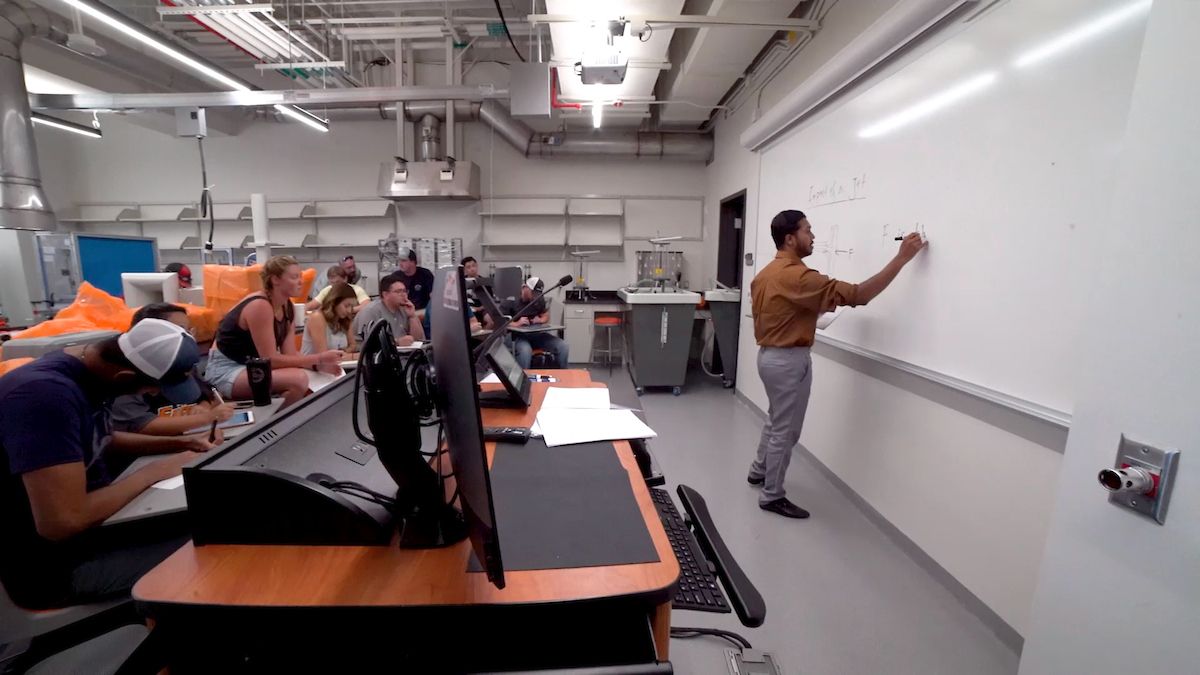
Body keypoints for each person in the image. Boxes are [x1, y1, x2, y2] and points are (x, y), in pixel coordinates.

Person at [0, 319, 218, 608]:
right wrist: (152, 473)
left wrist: (182, 443)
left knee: (218, 518)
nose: (153, 395)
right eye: (150, 390)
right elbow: (63, 521)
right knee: (225, 545)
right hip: (54, 569)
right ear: (124, 377)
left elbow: (98, 437)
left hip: (93, 535)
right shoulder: (44, 397)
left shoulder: (84, 372)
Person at [748, 210, 926, 519]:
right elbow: (859, 295)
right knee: (785, 430)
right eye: (807, 230)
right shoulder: (798, 276)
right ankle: (771, 495)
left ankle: (758, 470)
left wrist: (806, 317)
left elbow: (781, 312)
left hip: (769, 357)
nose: (813, 236)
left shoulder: (766, 274)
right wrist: (901, 259)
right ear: (791, 238)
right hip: (788, 361)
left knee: (776, 420)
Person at [204, 256, 343, 409]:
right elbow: (270, 359)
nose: (301, 282)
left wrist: (318, 366)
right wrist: (319, 358)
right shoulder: (260, 305)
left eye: (300, 277)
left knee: (304, 375)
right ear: (275, 279)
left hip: (253, 365)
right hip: (227, 368)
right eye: (294, 277)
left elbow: (290, 355)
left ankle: (279, 417)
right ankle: (272, 424)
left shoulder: (287, 307)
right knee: (298, 380)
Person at [110, 303, 236, 436]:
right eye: (179, 330)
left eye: (188, 331)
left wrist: (202, 408)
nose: (186, 337)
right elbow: (139, 426)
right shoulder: (128, 373)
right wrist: (206, 418)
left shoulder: (179, 357)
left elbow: (207, 395)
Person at [505, 276, 569, 369]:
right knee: (525, 350)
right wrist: (517, 324)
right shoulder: (511, 300)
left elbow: (545, 315)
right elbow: (500, 321)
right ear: (525, 288)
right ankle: (524, 380)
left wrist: (540, 320)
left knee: (563, 346)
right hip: (516, 336)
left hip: (536, 334)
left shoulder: (539, 299)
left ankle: (562, 376)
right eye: (533, 293)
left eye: (537, 294)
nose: (535, 297)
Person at [352, 272, 425, 347]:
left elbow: (419, 339)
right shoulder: (370, 311)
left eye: (405, 291)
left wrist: (412, 316)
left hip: (400, 353)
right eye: (399, 292)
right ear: (385, 295)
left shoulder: (405, 309)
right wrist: (397, 342)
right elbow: (370, 343)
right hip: (370, 355)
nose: (404, 295)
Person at [303, 283, 359, 357]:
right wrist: (350, 356)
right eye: (346, 306)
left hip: (338, 365)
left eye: (352, 307)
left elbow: (353, 345)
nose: (349, 310)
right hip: (314, 367)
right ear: (334, 302)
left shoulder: (344, 319)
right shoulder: (317, 317)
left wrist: (344, 353)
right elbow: (323, 355)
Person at [305, 264, 370, 312]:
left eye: (337, 282)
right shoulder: (327, 290)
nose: (334, 286)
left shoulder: (357, 290)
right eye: (332, 283)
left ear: (345, 279)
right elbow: (311, 305)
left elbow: (367, 306)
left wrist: (349, 310)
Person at [461, 256, 485, 325]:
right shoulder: (461, 281)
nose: (472, 269)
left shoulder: (484, 282)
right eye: (468, 267)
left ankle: (484, 335)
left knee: (490, 319)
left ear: (477, 266)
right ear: (464, 270)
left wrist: (478, 308)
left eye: (474, 266)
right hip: (466, 309)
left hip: (480, 309)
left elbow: (490, 302)